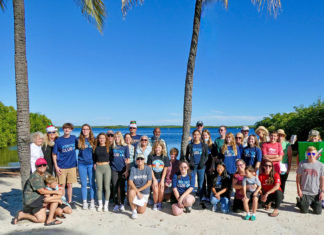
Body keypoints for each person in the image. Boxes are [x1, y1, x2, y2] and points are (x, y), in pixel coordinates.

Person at [12, 158, 63, 226]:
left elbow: (53, 182)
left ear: (46, 166)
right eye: (39, 165)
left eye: (44, 165)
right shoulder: (35, 177)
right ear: (36, 167)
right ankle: (50, 220)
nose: (42, 166)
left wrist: (59, 187)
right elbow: (41, 191)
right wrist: (56, 193)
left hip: (38, 197)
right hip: (32, 200)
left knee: (41, 219)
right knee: (55, 199)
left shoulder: (45, 174)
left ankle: (22, 215)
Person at [52, 123, 78, 208]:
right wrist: (56, 166)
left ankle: (70, 201)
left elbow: (80, 146)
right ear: (63, 129)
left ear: (71, 130)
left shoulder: (74, 138)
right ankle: (62, 201)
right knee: (62, 185)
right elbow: (54, 154)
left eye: (69, 128)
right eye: (65, 128)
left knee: (70, 184)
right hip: (61, 166)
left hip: (72, 165)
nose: (67, 130)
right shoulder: (59, 140)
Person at [183, 129, 208, 206]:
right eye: (194, 134)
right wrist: (190, 163)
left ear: (200, 136)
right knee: (191, 184)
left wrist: (203, 163)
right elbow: (186, 156)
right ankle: (190, 198)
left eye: (198, 134)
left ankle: (200, 198)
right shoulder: (190, 145)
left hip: (201, 167)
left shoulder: (204, 145)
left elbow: (206, 156)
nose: (196, 136)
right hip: (193, 167)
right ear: (193, 135)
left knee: (200, 184)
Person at [296, 146, 324, 214]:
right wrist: (299, 190)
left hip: (315, 192)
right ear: (307, 154)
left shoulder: (321, 165)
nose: (311, 155)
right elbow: (298, 178)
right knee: (304, 211)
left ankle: (310, 203)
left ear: (317, 154)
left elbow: (322, 179)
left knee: (318, 212)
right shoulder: (302, 163)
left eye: (313, 154)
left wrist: (322, 192)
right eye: (309, 154)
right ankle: (300, 201)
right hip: (305, 192)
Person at [77, 124, 96, 210]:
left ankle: (92, 201)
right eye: (83, 129)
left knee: (92, 183)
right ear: (82, 130)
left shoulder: (93, 140)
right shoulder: (78, 140)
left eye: (87, 129)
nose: (85, 131)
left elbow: (97, 152)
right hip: (81, 164)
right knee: (83, 183)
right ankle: (84, 201)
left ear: (89, 130)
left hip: (91, 164)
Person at [110, 131, 130, 212]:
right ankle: (116, 203)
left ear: (121, 138)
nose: (117, 138)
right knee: (114, 186)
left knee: (121, 187)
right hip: (114, 169)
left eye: (118, 137)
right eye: (115, 137)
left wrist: (127, 170)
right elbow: (110, 158)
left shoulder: (125, 147)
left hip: (122, 169)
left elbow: (128, 160)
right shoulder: (112, 146)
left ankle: (121, 203)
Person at [147, 140, 170, 211]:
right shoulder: (151, 156)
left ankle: (160, 203)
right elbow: (150, 169)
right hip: (153, 177)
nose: (157, 149)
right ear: (154, 148)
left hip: (161, 177)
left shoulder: (165, 157)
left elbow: (165, 170)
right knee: (155, 189)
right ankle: (155, 203)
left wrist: (162, 180)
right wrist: (154, 179)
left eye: (159, 147)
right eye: (156, 147)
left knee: (161, 189)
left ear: (162, 148)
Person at [128, 154, 153, 219]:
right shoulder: (133, 169)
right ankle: (133, 211)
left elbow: (149, 183)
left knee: (141, 211)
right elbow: (130, 182)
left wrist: (138, 191)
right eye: (138, 159)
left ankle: (134, 204)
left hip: (144, 192)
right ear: (136, 160)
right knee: (131, 192)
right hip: (135, 190)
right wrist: (137, 192)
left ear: (144, 160)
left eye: (141, 159)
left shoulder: (148, 169)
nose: (140, 160)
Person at [93, 132, 111, 212]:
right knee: (99, 187)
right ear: (98, 139)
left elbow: (112, 157)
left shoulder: (108, 147)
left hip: (106, 167)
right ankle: (100, 205)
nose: (101, 140)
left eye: (103, 138)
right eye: (100, 138)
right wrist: (94, 164)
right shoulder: (95, 148)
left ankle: (106, 205)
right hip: (98, 168)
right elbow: (94, 157)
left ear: (105, 139)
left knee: (107, 187)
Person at [277, 129, 292, 194]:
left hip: (284, 166)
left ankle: (281, 196)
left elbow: (290, 157)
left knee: (282, 182)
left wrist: (289, 168)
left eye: (282, 135)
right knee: (275, 182)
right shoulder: (274, 143)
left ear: (284, 136)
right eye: (278, 135)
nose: (280, 137)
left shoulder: (287, 144)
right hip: (275, 166)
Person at [202, 129, 214, 202]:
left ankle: (209, 195)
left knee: (210, 181)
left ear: (209, 135)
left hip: (209, 165)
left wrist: (212, 166)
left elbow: (213, 157)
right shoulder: (200, 144)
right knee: (203, 181)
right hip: (202, 164)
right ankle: (203, 195)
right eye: (203, 135)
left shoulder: (211, 145)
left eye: (206, 135)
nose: (204, 136)